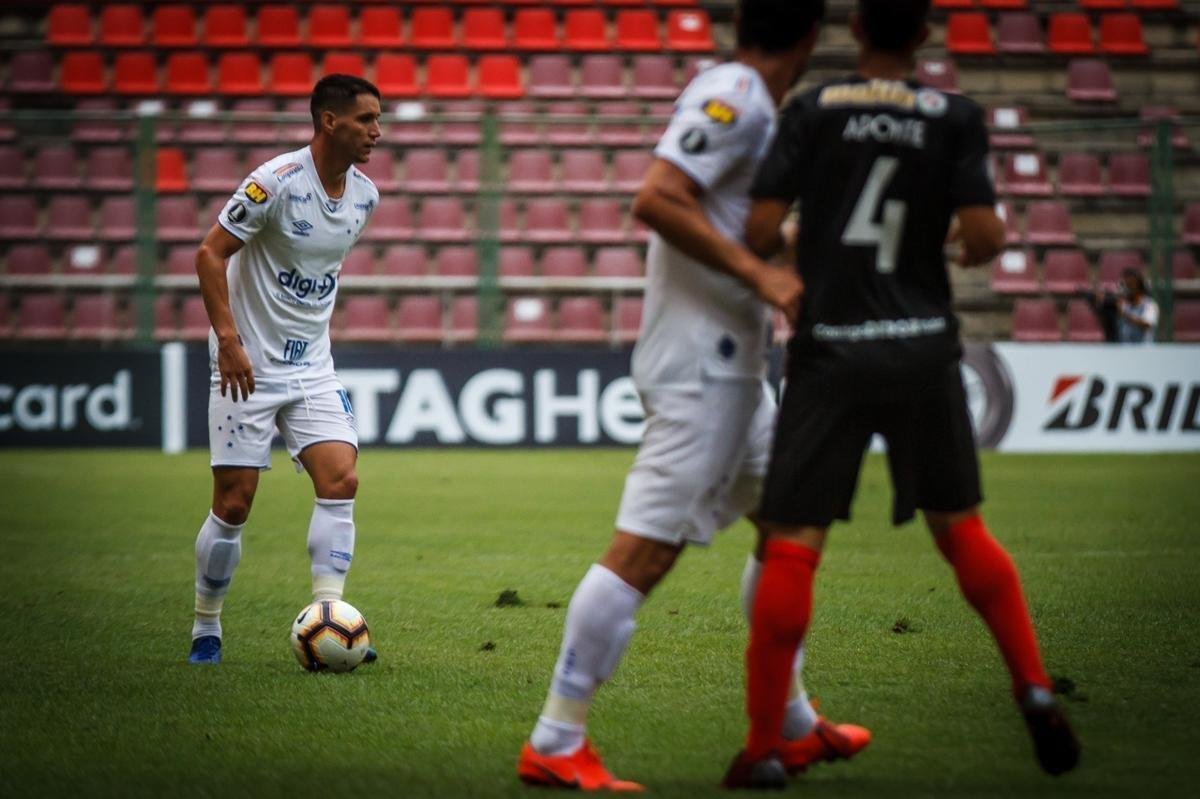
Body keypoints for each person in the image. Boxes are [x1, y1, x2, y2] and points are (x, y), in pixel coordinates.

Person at [723, 0, 1081, 787]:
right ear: (923, 33)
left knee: (791, 543)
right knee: (961, 530)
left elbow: (758, 232)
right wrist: (939, 234)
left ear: (856, 32)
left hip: (832, 351)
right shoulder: (953, 115)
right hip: (923, 349)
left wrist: (814, 237)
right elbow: (987, 240)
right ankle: (1030, 682)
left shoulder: (815, 108)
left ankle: (761, 750)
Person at [516, 1, 869, 791]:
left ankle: (793, 721)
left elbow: (735, 223)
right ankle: (555, 735)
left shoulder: (755, 105)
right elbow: (658, 196)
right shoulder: (735, 92)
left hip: (736, 369)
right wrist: (763, 275)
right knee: (646, 548)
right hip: (699, 368)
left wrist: (797, 259)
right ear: (812, 36)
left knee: (787, 526)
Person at [187, 75, 382, 665]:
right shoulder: (274, 182)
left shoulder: (366, 196)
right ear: (329, 121)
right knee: (236, 502)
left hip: (313, 367)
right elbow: (209, 253)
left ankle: (330, 616)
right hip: (247, 364)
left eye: (379, 119)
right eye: (366, 119)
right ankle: (206, 628)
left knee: (341, 480)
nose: (377, 131)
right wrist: (228, 338)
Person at [1115, 268, 1159, 343]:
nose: (1127, 289)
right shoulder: (1123, 304)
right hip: (1124, 350)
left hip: (1144, 351)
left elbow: (1146, 325)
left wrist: (1124, 314)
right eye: (1125, 285)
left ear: (1139, 286)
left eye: (1130, 285)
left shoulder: (1149, 305)